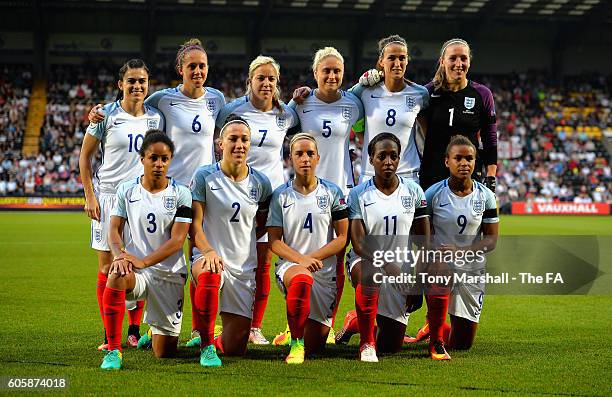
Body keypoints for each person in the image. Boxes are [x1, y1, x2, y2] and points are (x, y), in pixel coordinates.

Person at [89, 38, 226, 349]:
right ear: (180, 69)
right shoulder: (162, 100)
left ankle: (200, 332)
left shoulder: (217, 99)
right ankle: (149, 326)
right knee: (168, 264)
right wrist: (100, 111)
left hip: (203, 194)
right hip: (168, 195)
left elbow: (242, 116)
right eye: (191, 66)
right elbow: (130, 106)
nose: (197, 71)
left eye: (202, 66)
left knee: (200, 261)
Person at [271, 47, 363, 345]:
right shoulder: (302, 103)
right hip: (305, 191)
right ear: (315, 74)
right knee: (300, 253)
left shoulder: (353, 102)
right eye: (326, 70)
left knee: (334, 260)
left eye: (337, 70)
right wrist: (290, 99)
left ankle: (328, 322)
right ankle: (294, 322)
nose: (332, 75)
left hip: (341, 192)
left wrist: (368, 79)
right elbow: (280, 119)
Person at [213, 56, 299, 345]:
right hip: (234, 194)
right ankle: (209, 326)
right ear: (249, 81)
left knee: (262, 262)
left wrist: (304, 95)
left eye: (271, 79)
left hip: (270, 197)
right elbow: (216, 143)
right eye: (260, 78)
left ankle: (254, 327)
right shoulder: (231, 110)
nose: (266, 83)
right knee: (222, 257)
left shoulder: (286, 114)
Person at [79, 59, 164, 350]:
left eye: (142, 81)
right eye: (132, 81)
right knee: (107, 268)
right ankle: (109, 334)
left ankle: (133, 329)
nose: (137, 86)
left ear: (147, 85)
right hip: (108, 198)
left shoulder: (155, 118)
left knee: (137, 265)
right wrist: (90, 195)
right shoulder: (105, 116)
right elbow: (84, 158)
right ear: (121, 85)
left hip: (140, 200)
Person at [100, 130, 192, 370]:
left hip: (168, 274)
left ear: (171, 160)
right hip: (136, 273)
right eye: (153, 158)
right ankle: (113, 350)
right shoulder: (127, 190)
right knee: (116, 273)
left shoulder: (181, 193)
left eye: (165, 158)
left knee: (165, 353)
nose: (159, 164)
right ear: (142, 159)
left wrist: (145, 261)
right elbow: (114, 230)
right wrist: (120, 255)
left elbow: (177, 240)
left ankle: (154, 332)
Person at [338, 133, 429, 362]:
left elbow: (424, 241)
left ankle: (354, 322)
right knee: (371, 274)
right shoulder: (359, 194)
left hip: (402, 265)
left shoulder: (414, 192)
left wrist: (418, 282)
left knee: (391, 346)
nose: (388, 161)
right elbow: (358, 243)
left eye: (393, 156)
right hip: (366, 261)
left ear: (400, 159)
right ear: (371, 159)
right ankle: (366, 343)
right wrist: (388, 265)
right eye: (382, 156)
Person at [190, 115, 272, 367]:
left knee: (236, 348)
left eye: (244, 140)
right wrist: (208, 252)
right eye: (233, 139)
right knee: (210, 273)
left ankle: (215, 340)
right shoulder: (205, 176)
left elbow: (262, 226)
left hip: (243, 269)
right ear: (220, 144)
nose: (239, 145)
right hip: (209, 258)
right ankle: (205, 345)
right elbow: (195, 225)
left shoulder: (261, 183)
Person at [408, 135, 499, 359]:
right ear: (447, 161)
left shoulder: (485, 196)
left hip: (471, 270)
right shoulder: (432, 194)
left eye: (469, 158)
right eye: (458, 158)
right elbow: (422, 242)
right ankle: (436, 336)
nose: (464, 163)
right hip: (438, 268)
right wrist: (417, 284)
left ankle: (434, 327)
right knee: (440, 264)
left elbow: (491, 240)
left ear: (475, 161)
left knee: (462, 345)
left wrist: (462, 252)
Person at [267, 133, 349, 364]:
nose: (305, 158)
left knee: (317, 347)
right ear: (290, 159)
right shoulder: (280, 196)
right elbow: (274, 241)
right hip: (292, 267)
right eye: (299, 154)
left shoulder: (332, 193)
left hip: (323, 272)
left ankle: (306, 337)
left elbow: (342, 237)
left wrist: (311, 257)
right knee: (302, 278)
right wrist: (300, 260)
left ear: (318, 158)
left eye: (310, 154)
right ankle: (295, 344)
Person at [417, 38, 498, 192]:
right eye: (453, 58)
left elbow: (490, 138)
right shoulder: (426, 93)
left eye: (464, 58)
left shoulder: (482, 94)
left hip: (469, 174)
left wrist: (491, 176)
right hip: (432, 174)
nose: (459, 64)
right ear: (442, 61)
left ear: (470, 61)